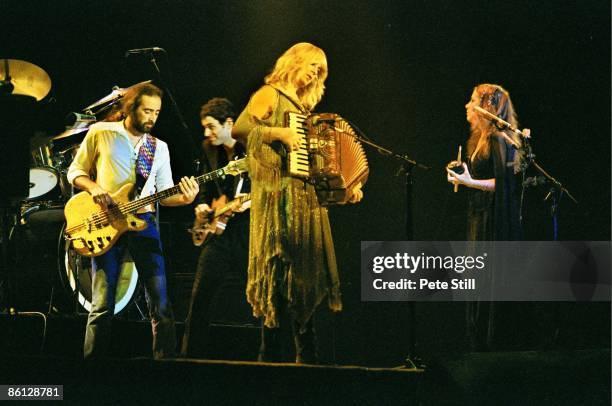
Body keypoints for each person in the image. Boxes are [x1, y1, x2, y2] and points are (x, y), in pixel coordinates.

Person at [233, 42, 363, 363]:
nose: (316, 74)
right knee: (279, 279)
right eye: (313, 66)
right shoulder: (270, 94)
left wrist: (343, 186)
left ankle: (308, 362)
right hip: (278, 200)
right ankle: (272, 359)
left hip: (305, 201)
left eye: (320, 71)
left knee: (305, 282)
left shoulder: (305, 113)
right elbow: (240, 128)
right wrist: (279, 133)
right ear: (296, 61)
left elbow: (317, 168)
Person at [67, 82, 199, 359]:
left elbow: (164, 194)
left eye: (157, 113)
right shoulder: (102, 132)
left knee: (160, 301)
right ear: (131, 108)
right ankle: (91, 366)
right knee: (102, 302)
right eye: (147, 111)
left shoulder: (158, 147)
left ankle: (165, 365)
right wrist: (94, 188)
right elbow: (75, 172)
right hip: (105, 221)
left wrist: (185, 199)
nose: (152, 117)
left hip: (144, 222)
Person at [446, 83, 525, 350]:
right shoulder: (478, 139)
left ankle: (490, 345)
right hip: (478, 214)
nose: (468, 106)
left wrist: (470, 182)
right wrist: (462, 176)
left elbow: (503, 185)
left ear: (487, 107)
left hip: (491, 217)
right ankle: (476, 343)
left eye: (472, 101)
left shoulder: (497, 139)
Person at [180, 98, 251, 358]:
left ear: (229, 124)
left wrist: (249, 202)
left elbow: (267, 188)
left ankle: (270, 360)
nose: (206, 133)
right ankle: (189, 359)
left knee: (260, 297)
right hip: (218, 232)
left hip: (247, 231)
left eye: (211, 127)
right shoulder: (208, 148)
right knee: (199, 298)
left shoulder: (251, 148)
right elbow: (206, 188)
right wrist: (200, 205)